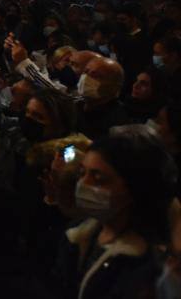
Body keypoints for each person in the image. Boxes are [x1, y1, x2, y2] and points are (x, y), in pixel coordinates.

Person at [54, 130, 178, 298]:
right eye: (82, 173)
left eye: (98, 179)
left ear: (134, 188)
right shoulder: (77, 233)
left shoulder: (146, 270)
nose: (83, 184)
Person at [78, 56, 130, 139]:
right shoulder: (75, 106)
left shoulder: (117, 123)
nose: (86, 78)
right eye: (86, 72)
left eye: (96, 76)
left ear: (114, 87)